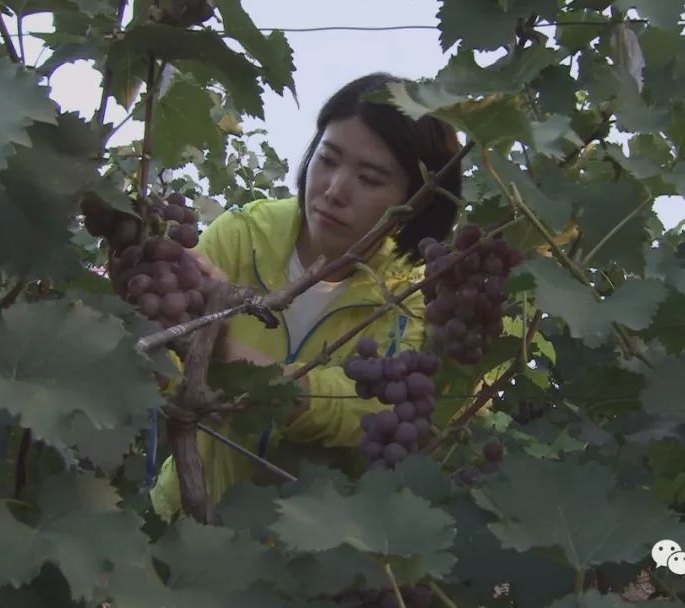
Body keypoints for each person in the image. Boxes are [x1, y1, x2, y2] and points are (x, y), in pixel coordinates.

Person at [149, 72, 463, 520]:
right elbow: (165, 354)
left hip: (308, 554)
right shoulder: (243, 234)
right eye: (328, 159)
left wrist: (220, 349)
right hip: (183, 525)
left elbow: (366, 409)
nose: (334, 191)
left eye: (370, 179)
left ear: (416, 201)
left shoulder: (406, 291)